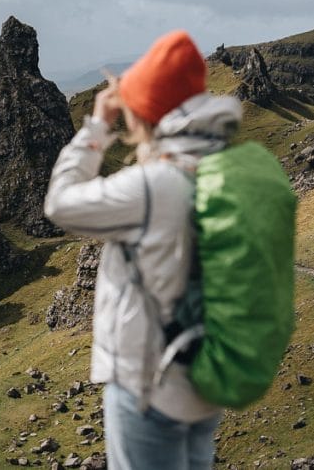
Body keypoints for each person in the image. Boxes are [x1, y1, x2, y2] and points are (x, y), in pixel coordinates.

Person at [44, 30, 241, 470]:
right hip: (202, 376)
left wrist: (97, 127)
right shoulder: (220, 172)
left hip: (147, 381)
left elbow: (59, 204)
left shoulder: (154, 186)